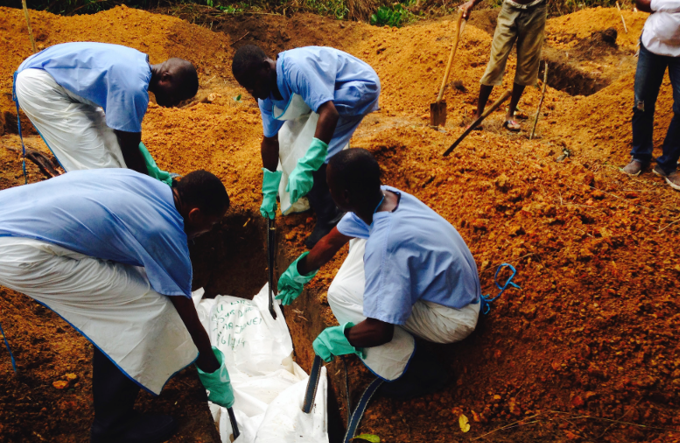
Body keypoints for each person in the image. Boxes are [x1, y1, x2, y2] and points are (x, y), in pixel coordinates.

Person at [0, 169, 234, 443]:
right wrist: (209, 365)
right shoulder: (161, 231)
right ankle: (112, 426)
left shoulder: (152, 187)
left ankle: (121, 382)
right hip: (22, 250)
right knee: (147, 311)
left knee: (133, 291)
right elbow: (183, 311)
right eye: (212, 224)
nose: (209, 231)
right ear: (194, 214)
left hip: (12, 213)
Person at [275, 148, 481, 397]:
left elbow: (379, 330)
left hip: (451, 318)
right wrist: (298, 272)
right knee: (358, 242)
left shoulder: (385, 245)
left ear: (344, 195)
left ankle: (415, 371)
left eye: (329, 187)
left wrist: (343, 336)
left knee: (342, 297)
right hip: (454, 289)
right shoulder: (384, 197)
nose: (328, 192)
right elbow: (331, 241)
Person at [231, 45, 381, 248]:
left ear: (266, 67)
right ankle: (314, 195)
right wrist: (269, 187)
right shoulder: (265, 96)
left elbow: (329, 113)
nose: (252, 92)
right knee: (288, 138)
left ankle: (329, 216)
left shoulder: (295, 69)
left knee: (316, 148)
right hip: (327, 98)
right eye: (247, 87)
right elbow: (271, 140)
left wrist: (308, 164)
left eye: (254, 83)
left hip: (355, 88)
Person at [13, 42, 198, 175]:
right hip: (41, 85)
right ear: (165, 77)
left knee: (111, 145)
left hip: (61, 84)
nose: (174, 103)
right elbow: (130, 147)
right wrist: (149, 187)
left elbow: (122, 139)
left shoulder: (137, 63)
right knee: (100, 167)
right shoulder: (133, 87)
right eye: (177, 95)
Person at [621, 0, 680, 192]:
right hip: (653, 46)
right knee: (642, 103)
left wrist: (668, 3)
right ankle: (640, 156)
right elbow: (641, 3)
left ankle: (667, 165)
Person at [459, 0, 547, 131]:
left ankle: (510, 115)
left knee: (526, 65)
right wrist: (472, 2)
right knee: (496, 62)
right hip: (510, 9)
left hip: (536, 11)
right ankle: (478, 116)